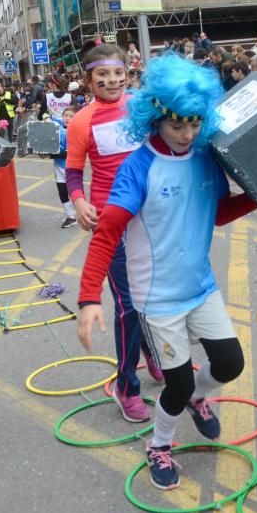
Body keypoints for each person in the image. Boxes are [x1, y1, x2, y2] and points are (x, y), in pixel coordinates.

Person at [76, 54, 257, 490]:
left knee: (230, 363)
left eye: (195, 124)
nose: (188, 134)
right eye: (178, 124)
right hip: (156, 298)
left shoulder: (203, 156)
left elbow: (215, 213)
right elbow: (105, 235)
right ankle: (159, 444)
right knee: (174, 384)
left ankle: (199, 397)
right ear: (156, 118)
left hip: (200, 287)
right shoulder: (137, 168)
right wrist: (87, 299)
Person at [66, 43, 163, 422]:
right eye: (102, 75)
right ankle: (127, 386)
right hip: (112, 222)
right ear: (89, 79)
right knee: (127, 307)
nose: (112, 81)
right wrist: (78, 201)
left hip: (153, 216)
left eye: (118, 73)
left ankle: (152, 352)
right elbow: (74, 170)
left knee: (152, 299)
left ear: (128, 72)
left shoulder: (143, 107)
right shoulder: (80, 122)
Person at [51, 105, 79, 229]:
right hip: (58, 167)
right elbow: (47, 116)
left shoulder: (75, 132)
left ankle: (86, 215)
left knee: (75, 193)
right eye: (65, 116)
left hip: (71, 167)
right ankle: (70, 216)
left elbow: (68, 152)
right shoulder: (58, 128)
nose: (67, 118)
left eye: (71, 116)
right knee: (62, 192)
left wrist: (50, 154)